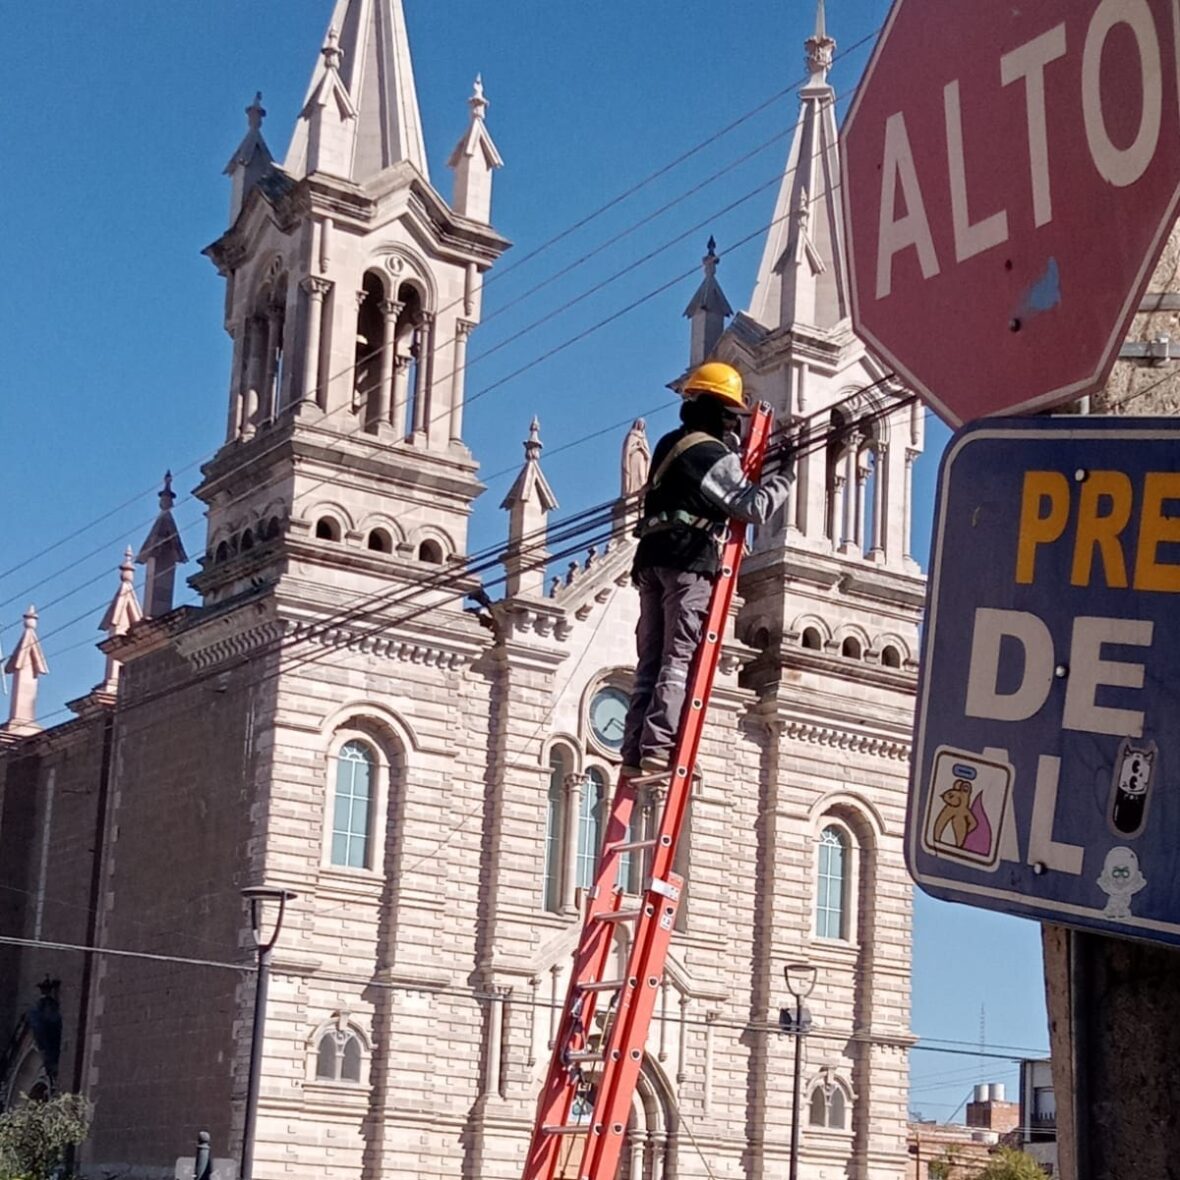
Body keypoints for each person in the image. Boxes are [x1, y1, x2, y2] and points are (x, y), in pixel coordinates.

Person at [620, 361, 793, 779]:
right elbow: (750, 506)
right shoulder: (712, 454)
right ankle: (661, 746)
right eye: (731, 416)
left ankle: (634, 749)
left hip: (650, 561)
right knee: (678, 659)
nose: (734, 426)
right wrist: (784, 477)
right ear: (720, 412)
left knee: (651, 661)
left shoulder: (665, 444)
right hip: (687, 561)